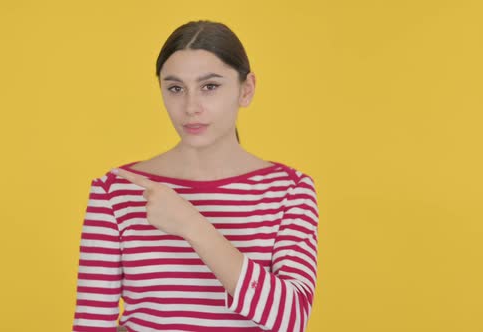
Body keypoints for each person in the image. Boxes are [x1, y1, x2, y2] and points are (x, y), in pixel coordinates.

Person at [71, 19, 319, 332]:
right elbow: (91, 326)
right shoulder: (115, 191)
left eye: (209, 86)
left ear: (247, 89)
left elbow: (291, 319)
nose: (190, 107)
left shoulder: (290, 190)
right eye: (175, 88)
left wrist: (192, 225)